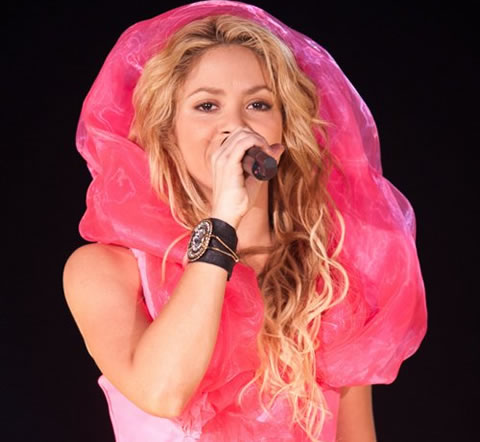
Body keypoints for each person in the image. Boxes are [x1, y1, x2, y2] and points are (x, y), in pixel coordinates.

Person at [62, 1, 427, 441]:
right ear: (168, 132)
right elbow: (163, 392)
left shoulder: (332, 280)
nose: (234, 125)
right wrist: (222, 221)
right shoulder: (106, 270)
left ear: (283, 131)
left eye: (258, 104)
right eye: (206, 106)